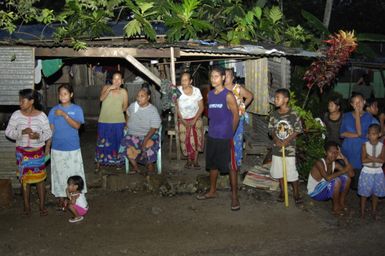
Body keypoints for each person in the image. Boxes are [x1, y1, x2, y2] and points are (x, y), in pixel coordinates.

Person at [196, 67, 240, 211]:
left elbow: (236, 116)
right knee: (213, 165)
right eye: (212, 76)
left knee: (231, 167)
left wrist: (230, 133)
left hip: (225, 137)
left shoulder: (228, 95)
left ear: (222, 78)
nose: (213, 79)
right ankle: (212, 191)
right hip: (213, 135)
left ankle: (234, 196)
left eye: (216, 76)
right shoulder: (209, 95)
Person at [5, 89, 52, 216]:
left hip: (37, 152)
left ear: (31, 101)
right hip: (22, 153)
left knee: (40, 180)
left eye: (23, 100)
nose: (20, 103)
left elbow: (48, 133)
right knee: (24, 180)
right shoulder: (16, 115)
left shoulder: (41, 116)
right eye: (19, 100)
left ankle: (42, 207)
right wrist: (21, 132)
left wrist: (38, 136)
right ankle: (26, 207)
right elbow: (8, 132)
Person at [47, 84, 86, 211]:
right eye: (60, 94)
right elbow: (51, 130)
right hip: (57, 148)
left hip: (72, 148)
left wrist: (64, 115)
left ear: (71, 95)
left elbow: (77, 126)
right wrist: (47, 147)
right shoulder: (53, 111)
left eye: (65, 93)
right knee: (59, 174)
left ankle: (77, 199)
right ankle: (61, 198)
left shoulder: (77, 109)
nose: (63, 96)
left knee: (74, 174)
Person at [268, 88, 303, 204]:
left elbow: (298, 130)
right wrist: (276, 139)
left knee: (291, 172)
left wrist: (287, 140)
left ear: (286, 100)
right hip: (277, 148)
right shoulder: (274, 114)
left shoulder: (293, 114)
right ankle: (283, 192)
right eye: (275, 97)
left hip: (289, 149)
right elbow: (271, 130)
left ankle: (296, 194)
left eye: (278, 98)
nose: (275, 100)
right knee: (279, 172)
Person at [119, 85, 162, 174]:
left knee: (150, 145)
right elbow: (127, 112)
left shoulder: (152, 110)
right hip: (133, 134)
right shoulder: (133, 106)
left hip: (148, 135)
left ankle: (150, 167)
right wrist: (127, 123)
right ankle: (136, 167)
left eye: (142, 96)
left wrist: (145, 140)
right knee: (125, 143)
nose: (139, 98)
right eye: (138, 96)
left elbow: (154, 128)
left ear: (148, 97)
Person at [340, 93, 378, 189]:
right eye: (355, 103)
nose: (358, 105)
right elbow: (342, 133)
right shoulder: (346, 116)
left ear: (364, 102)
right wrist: (356, 135)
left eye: (360, 102)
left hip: (361, 152)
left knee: (360, 182)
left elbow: (361, 132)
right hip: (348, 150)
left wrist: (357, 114)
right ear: (352, 105)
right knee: (347, 180)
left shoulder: (369, 117)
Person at [307, 141, 354, 216]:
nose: (333, 154)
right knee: (336, 181)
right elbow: (328, 178)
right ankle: (335, 208)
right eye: (330, 152)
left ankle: (341, 203)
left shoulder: (335, 163)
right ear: (325, 153)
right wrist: (343, 171)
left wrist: (344, 159)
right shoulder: (319, 163)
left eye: (335, 152)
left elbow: (351, 174)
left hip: (324, 188)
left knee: (347, 178)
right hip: (315, 192)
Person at [95, 71, 129, 171]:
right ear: (112, 80)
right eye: (115, 78)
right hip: (104, 121)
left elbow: (125, 107)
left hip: (118, 122)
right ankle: (99, 163)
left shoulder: (124, 92)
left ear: (122, 81)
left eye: (119, 79)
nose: (117, 81)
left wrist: (119, 114)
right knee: (101, 143)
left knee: (117, 142)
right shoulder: (106, 88)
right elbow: (101, 99)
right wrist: (109, 88)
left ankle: (117, 162)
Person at [224, 68, 254, 168]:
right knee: (225, 140)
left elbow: (250, 96)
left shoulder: (237, 88)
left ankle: (237, 162)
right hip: (225, 120)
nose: (225, 78)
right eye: (224, 75)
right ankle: (226, 160)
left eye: (227, 76)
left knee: (237, 140)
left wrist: (242, 107)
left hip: (237, 119)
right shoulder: (220, 89)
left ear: (232, 78)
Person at [176, 72, 204, 169]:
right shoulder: (177, 90)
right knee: (185, 139)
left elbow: (201, 107)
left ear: (190, 81)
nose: (183, 82)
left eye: (185, 80)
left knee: (197, 138)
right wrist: (182, 119)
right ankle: (188, 160)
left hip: (196, 117)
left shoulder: (197, 91)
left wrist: (194, 120)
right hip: (183, 118)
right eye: (182, 80)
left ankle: (195, 160)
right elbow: (176, 107)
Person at [359, 124, 385, 220]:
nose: (371, 136)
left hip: (378, 172)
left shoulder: (382, 146)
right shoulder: (364, 146)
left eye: (374, 134)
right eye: (369, 134)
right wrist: (376, 159)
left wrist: (370, 157)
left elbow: (383, 161)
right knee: (364, 194)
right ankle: (362, 212)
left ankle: (374, 211)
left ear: (379, 134)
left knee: (376, 193)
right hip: (367, 172)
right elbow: (363, 161)